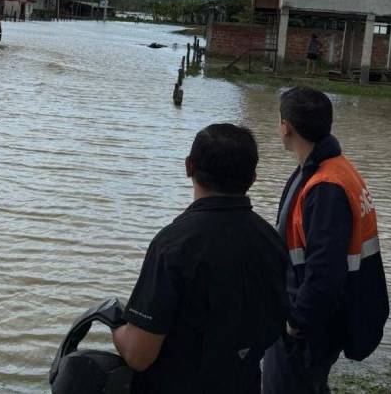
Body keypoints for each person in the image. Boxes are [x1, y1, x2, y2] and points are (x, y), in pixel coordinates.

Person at [111, 124, 289, 394]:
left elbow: (139, 355)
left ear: (188, 166)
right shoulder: (272, 242)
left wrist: (114, 323)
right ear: (252, 178)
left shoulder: (174, 245)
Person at [262, 88, 389, 394]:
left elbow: (325, 271)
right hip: (320, 317)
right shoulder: (333, 168)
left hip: (308, 327)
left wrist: (295, 324)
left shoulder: (325, 187)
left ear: (286, 126)